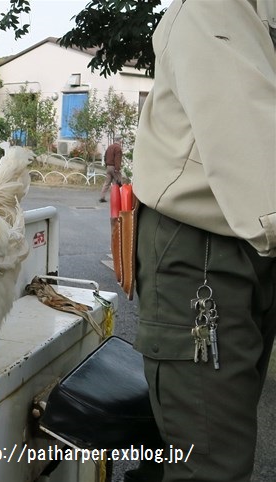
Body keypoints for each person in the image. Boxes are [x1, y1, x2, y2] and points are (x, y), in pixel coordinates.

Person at [131, 1, 276, 481]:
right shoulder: (213, 8)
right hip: (206, 249)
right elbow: (254, 147)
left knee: (217, 440)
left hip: (242, 242)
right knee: (212, 464)